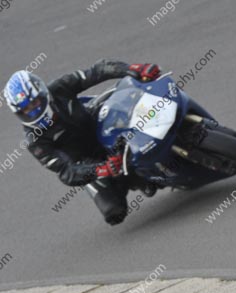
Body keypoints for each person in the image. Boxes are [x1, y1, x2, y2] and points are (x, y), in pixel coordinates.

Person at [3, 60, 161, 225]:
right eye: (26, 110)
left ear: (42, 93)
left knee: (131, 91)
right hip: (89, 161)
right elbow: (66, 172)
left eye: (34, 103)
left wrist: (132, 69)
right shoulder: (35, 141)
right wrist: (101, 169)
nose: (33, 111)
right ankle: (138, 180)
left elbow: (97, 71)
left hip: (99, 124)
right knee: (114, 212)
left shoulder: (59, 88)